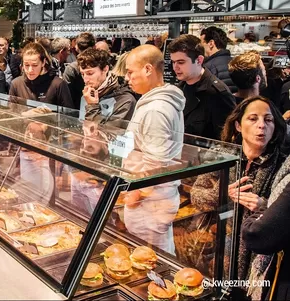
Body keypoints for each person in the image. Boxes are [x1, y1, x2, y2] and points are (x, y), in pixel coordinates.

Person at [192, 96, 287, 297]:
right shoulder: (222, 155)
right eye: (253, 119)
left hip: (255, 262)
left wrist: (265, 206)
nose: (261, 125)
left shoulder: (282, 165)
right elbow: (196, 196)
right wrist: (223, 194)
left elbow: (281, 217)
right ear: (237, 125)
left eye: (268, 120)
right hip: (214, 253)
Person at [123, 44, 186, 254]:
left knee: (152, 259)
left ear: (148, 69)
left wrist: (136, 195)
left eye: (131, 72)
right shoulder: (155, 101)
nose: (127, 78)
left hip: (151, 203)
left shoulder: (156, 110)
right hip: (153, 200)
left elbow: (156, 163)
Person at [168, 34, 236, 140]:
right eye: (173, 62)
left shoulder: (217, 94)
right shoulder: (178, 89)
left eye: (181, 62)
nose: (175, 67)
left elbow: (226, 139)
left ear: (199, 60)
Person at [242, 155, 290, 301]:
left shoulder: (278, 160)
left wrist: (265, 207)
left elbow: (256, 233)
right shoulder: (226, 152)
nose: (261, 129)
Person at [78, 48, 136, 123]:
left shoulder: (126, 101)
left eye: (90, 73)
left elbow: (107, 133)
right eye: (82, 74)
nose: (85, 80)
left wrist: (92, 106)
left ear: (105, 69)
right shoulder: (87, 96)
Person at [9, 42, 73, 108]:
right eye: (27, 65)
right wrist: (25, 114)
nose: (30, 70)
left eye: (35, 65)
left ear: (43, 62)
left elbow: (69, 114)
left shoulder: (58, 84)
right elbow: (11, 113)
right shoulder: (16, 84)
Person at [63, 32, 96, 109]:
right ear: (94, 47)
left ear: (76, 47)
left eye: (90, 73)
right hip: (99, 109)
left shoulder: (72, 68)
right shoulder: (101, 65)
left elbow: (66, 95)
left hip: (76, 110)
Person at [200, 26, 237, 93]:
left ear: (211, 43)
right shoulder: (236, 62)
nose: (200, 47)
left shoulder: (208, 67)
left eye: (202, 43)